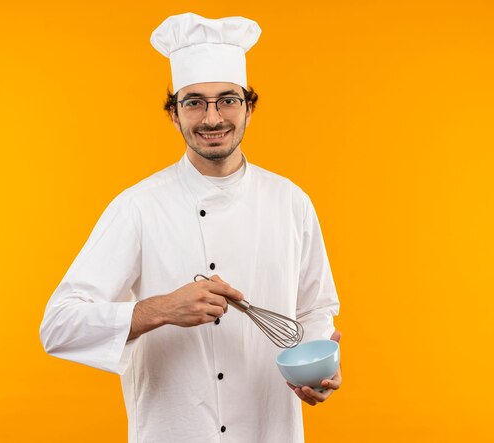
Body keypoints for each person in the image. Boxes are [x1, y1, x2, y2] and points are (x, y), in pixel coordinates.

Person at [40, 12, 341, 442]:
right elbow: (58, 326)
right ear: (174, 115)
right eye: (194, 101)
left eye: (228, 100)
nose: (212, 117)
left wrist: (318, 368)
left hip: (267, 430)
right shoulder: (138, 207)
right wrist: (158, 310)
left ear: (249, 108)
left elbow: (313, 311)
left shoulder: (291, 201)